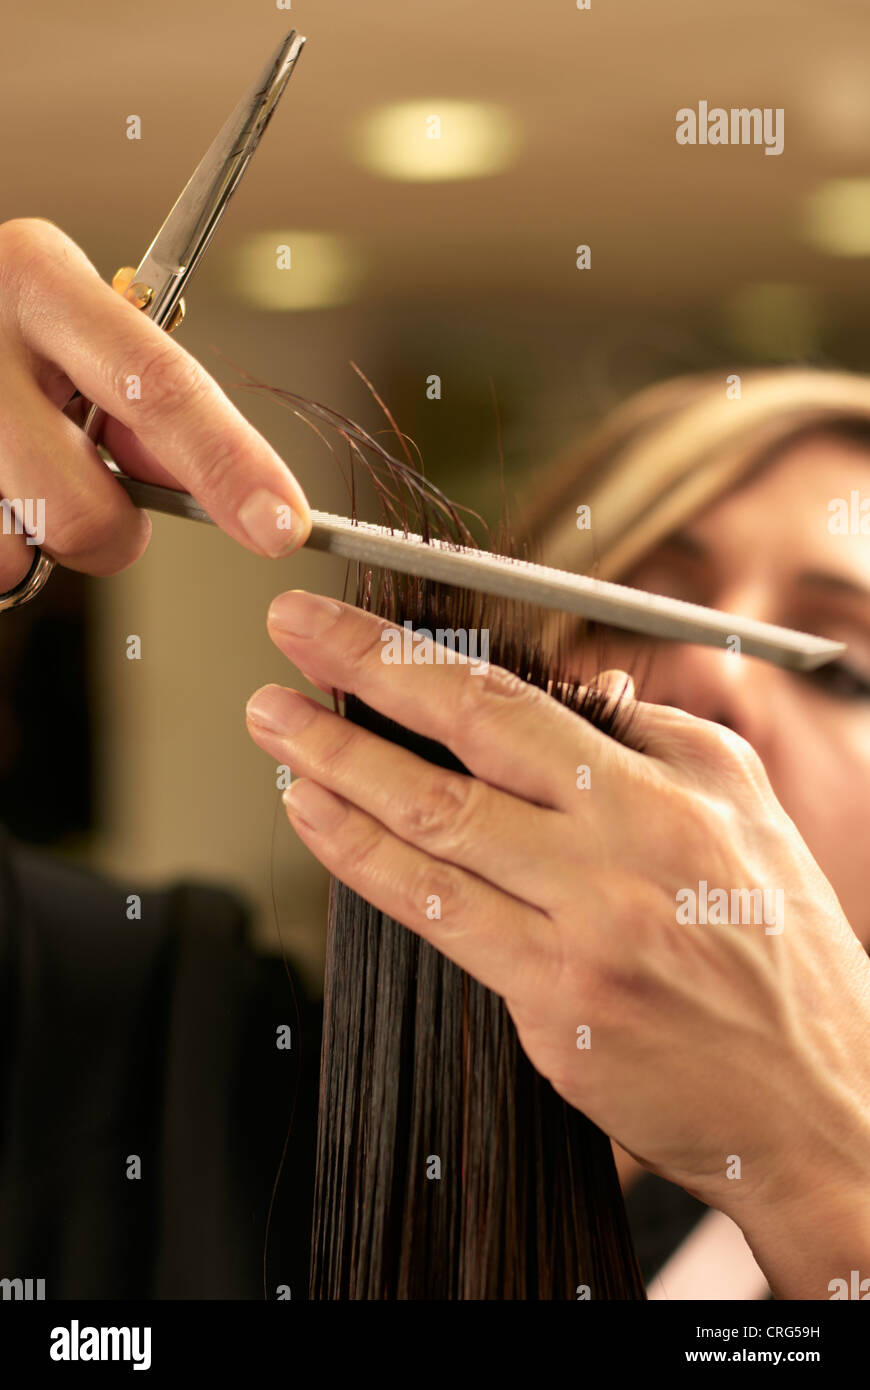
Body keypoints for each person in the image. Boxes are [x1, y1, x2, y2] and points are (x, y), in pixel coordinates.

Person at [1, 218, 868, 1300]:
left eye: (840, 667)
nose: (719, 670)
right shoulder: (147, 1045)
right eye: (656, 597)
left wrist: (832, 1165)